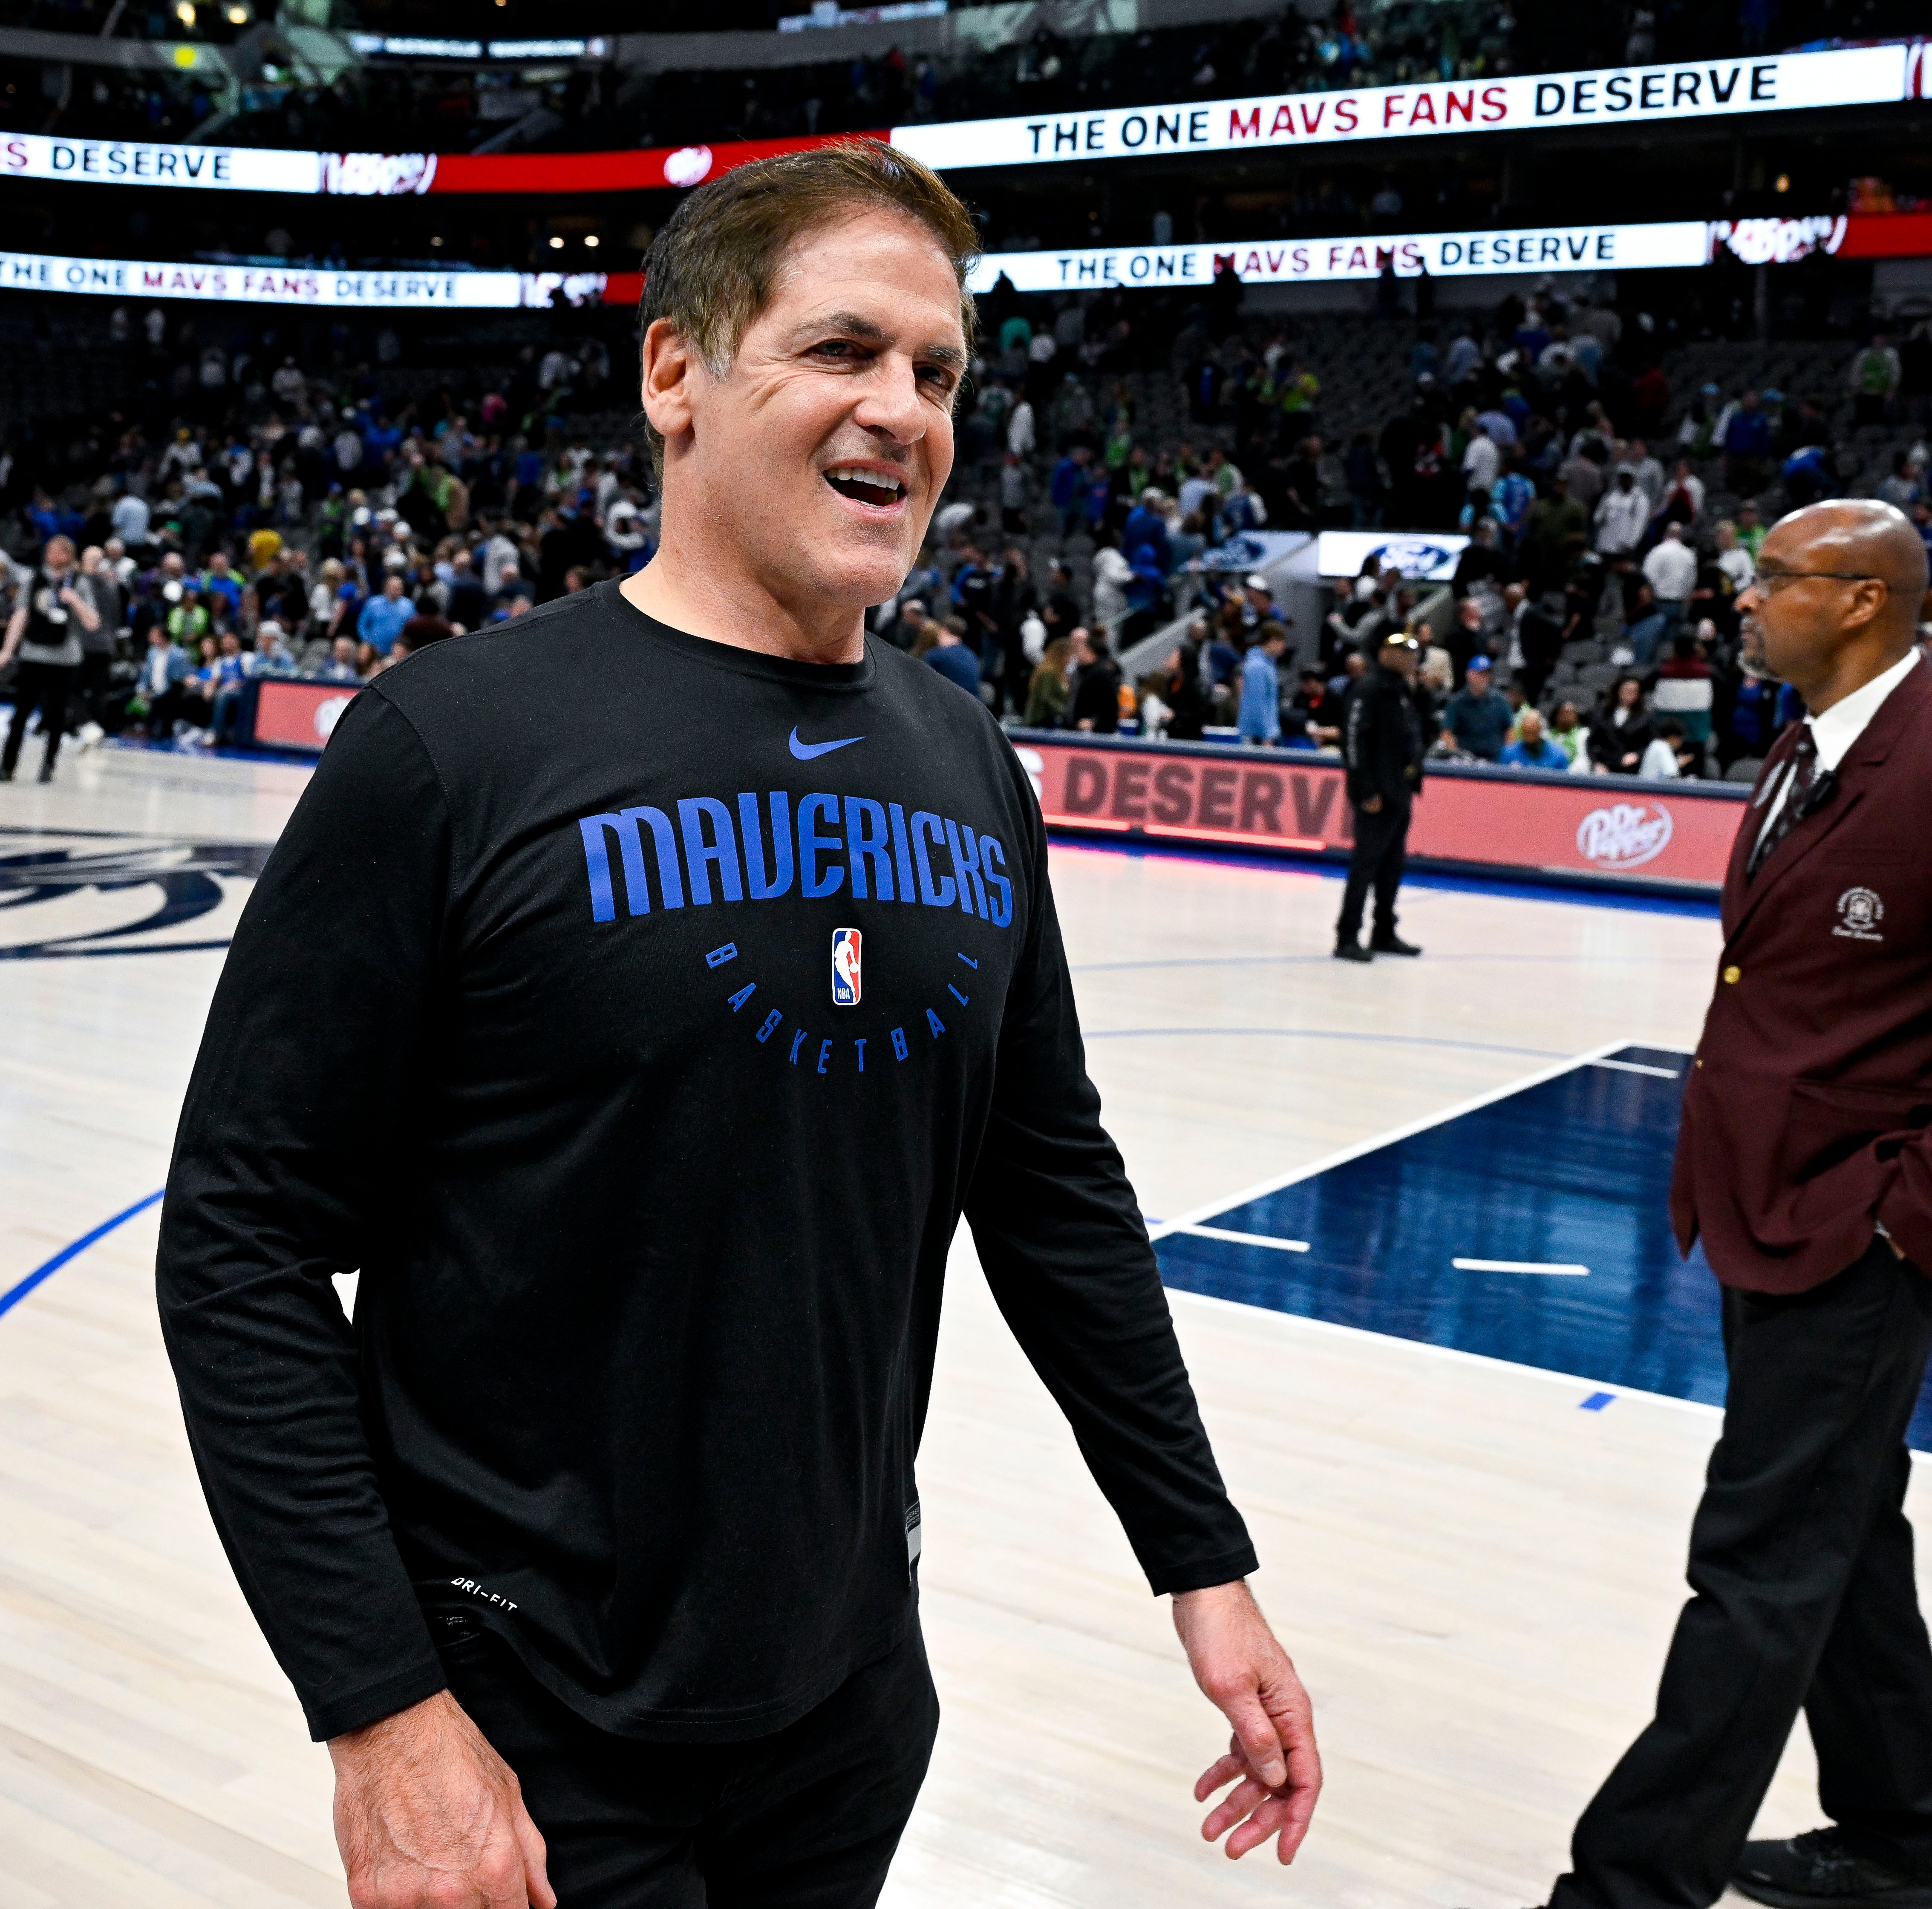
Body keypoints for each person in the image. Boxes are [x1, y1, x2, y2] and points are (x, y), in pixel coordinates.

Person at [156, 141, 1315, 1909]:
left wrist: (1200, 1556)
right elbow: (240, 1247)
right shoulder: (450, 746)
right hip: (526, 1723)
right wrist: (383, 1711)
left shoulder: (966, 762)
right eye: (842, 349)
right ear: (676, 374)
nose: (903, 411)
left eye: (936, 371)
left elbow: (1052, 1183)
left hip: (848, 1697)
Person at [1508, 499, 1932, 1909]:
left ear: (1859, 600)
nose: (1741, 599)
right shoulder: (1801, 753)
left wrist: (1916, 1220)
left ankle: (1630, 1886)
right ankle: (1907, 1844)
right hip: (1765, 1213)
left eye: (1768, 579)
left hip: (1855, 1236)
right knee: (1848, 1531)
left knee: (1758, 1568)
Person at [1335, 631, 1425, 961]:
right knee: (1366, 865)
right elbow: (1353, 742)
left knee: (1392, 866)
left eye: (1414, 652)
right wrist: (1364, 790)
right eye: (1403, 651)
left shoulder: (1403, 690)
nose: (1410, 658)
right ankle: (1347, 935)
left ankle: (1383, 930)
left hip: (1400, 792)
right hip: (1377, 793)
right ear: (1385, 653)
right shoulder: (1369, 689)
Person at [0, 536, 98, 785]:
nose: (56, 557)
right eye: (53, 552)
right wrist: (7, 650)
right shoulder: (34, 579)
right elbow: (20, 616)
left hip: (65, 659)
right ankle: (7, 766)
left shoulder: (80, 583)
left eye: (62, 553)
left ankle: (48, 766)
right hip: (33, 654)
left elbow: (93, 623)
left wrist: (75, 601)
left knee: (56, 716)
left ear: (70, 556)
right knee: (21, 714)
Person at [1238, 626, 1287, 745]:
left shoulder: (1268, 665)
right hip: (1257, 736)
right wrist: (1267, 735)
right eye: (1281, 641)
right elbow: (1256, 702)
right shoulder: (1258, 667)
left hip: (1263, 733)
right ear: (1271, 641)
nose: (1284, 646)